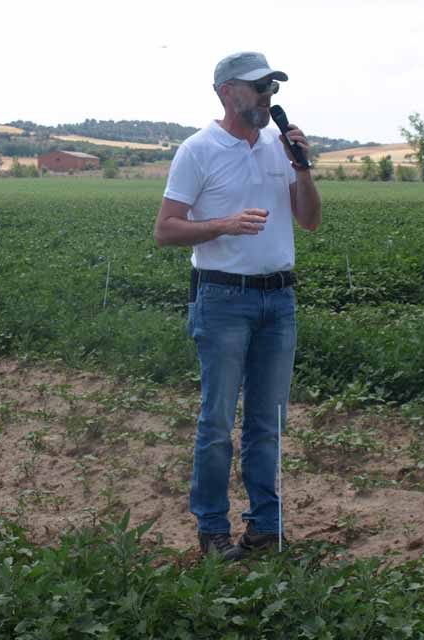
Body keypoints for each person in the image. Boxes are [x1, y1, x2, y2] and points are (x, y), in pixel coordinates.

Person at [153, 51, 321, 560]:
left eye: (272, 88)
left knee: (268, 423)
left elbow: (310, 220)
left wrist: (303, 167)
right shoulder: (198, 151)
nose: (268, 97)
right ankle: (212, 532)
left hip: (280, 301)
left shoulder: (278, 147)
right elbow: (165, 229)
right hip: (223, 299)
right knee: (218, 423)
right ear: (228, 93)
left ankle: (265, 531)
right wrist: (221, 224)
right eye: (257, 88)